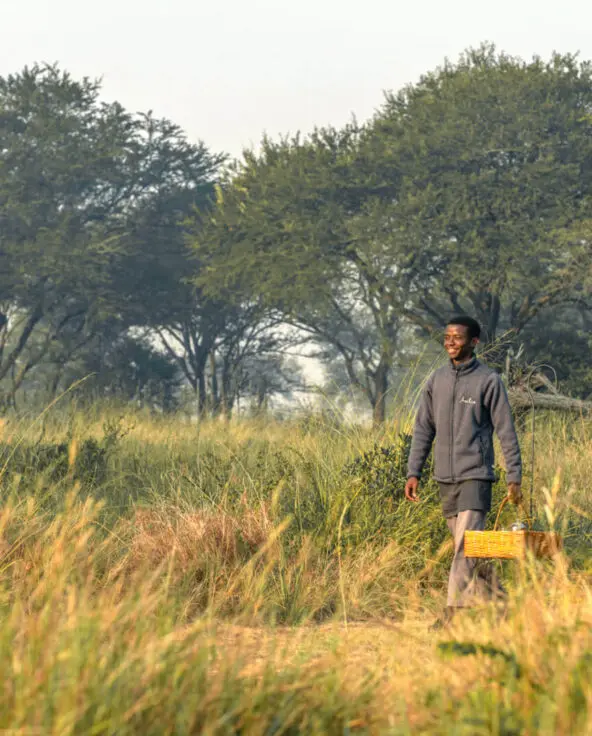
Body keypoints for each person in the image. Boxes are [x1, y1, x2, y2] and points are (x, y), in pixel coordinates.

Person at [404, 315, 523, 627]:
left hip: (476, 475)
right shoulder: (436, 381)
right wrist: (413, 472)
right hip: (445, 477)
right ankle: (500, 604)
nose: (450, 342)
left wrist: (514, 475)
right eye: (447, 337)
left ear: (474, 342)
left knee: (463, 548)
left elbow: (505, 430)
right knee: (473, 550)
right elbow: (422, 430)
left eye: (457, 337)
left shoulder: (488, 381)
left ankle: (452, 615)